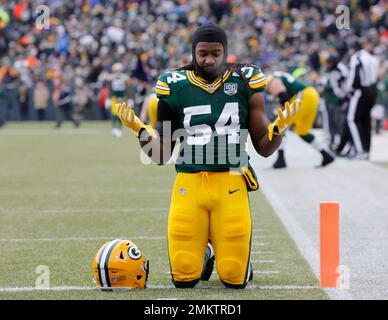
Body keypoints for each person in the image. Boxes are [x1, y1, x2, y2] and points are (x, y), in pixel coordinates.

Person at [114, 24, 300, 289]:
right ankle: (207, 252)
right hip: (189, 184)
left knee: (234, 277)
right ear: (193, 52)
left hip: (231, 183)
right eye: (203, 53)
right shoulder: (174, 85)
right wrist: (140, 131)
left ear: (225, 52)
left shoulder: (245, 80)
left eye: (216, 53)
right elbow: (160, 154)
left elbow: (263, 147)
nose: (209, 59)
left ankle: (230, 257)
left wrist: (278, 129)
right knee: (184, 275)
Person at [266, 71, 335, 168]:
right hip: (311, 95)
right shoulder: (277, 75)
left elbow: (283, 96)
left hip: (303, 96)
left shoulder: (270, 80)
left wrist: (276, 111)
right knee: (303, 131)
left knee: (280, 125)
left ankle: (281, 159)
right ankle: (326, 155)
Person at [344, 40, 379, 159]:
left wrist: (350, 89)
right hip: (372, 91)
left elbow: (355, 75)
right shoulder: (372, 58)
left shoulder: (357, 57)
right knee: (366, 121)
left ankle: (359, 150)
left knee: (352, 119)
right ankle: (366, 150)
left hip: (361, 91)